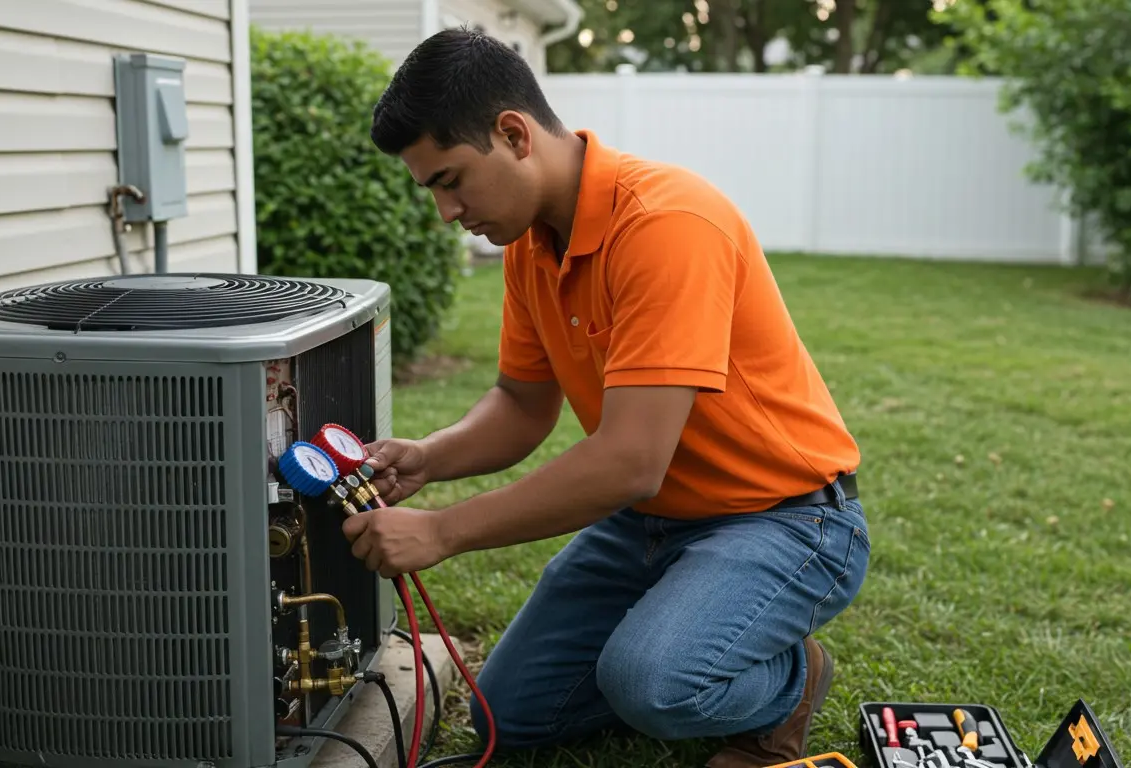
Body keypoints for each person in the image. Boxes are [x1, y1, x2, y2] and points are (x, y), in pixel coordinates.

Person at [341, 26, 870, 768]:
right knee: (507, 716)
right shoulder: (531, 242)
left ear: (514, 134)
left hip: (786, 520)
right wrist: (430, 458)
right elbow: (523, 404)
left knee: (651, 684)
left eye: (450, 179)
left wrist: (442, 531)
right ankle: (679, 633)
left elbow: (629, 462)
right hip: (652, 526)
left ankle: (789, 681)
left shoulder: (666, 224)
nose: (446, 212)